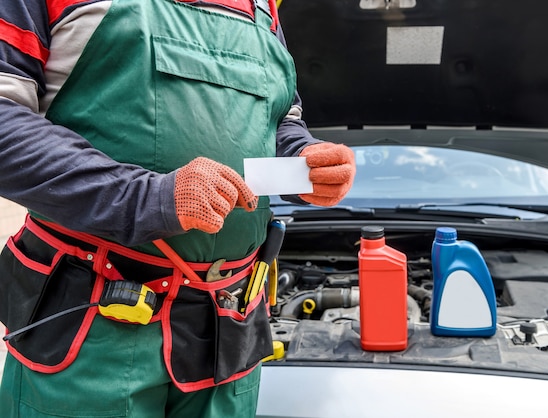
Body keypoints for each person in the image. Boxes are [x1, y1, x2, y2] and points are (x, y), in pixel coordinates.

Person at [0, 0, 356, 417]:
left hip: (229, 336)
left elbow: (277, 118)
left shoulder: (263, 7)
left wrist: (304, 159)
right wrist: (150, 198)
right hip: (92, 337)